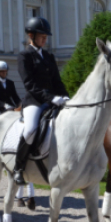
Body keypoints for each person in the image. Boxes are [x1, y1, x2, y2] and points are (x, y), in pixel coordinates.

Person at [15, 17, 69, 185]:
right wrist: (51, 97)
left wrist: (66, 97)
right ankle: (19, 167)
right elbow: (30, 85)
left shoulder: (48, 56)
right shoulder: (24, 56)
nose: (45, 39)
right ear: (32, 36)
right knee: (30, 130)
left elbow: (57, 81)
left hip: (53, 100)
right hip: (34, 102)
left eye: (46, 36)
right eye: (42, 36)